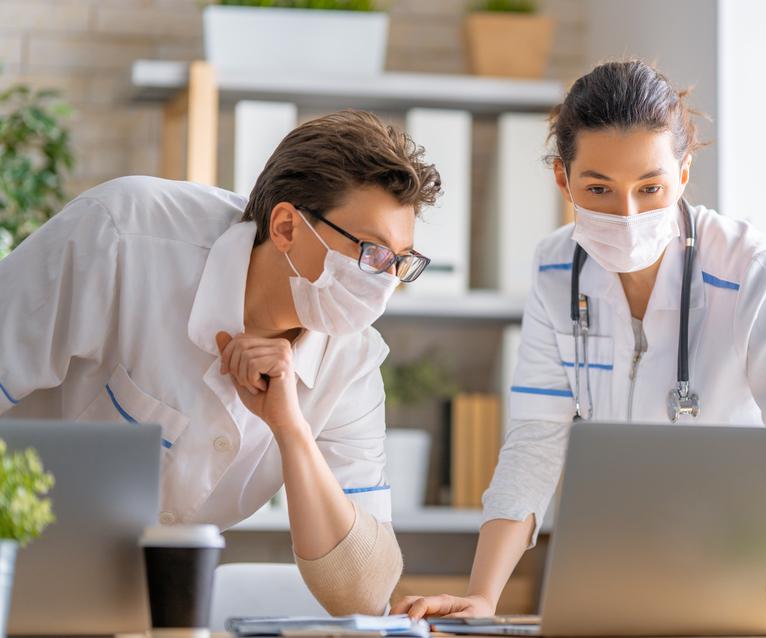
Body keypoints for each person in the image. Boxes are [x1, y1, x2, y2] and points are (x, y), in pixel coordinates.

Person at [393, 60, 766, 619]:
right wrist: (482, 595)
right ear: (562, 179)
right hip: (637, 577)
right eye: (598, 187)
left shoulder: (754, 274)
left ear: (684, 173)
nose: (627, 213)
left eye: (651, 187)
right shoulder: (555, 269)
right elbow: (534, 444)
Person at [0, 110, 441, 615]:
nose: (384, 281)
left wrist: (291, 428)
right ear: (285, 226)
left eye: (400, 261)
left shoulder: (353, 360)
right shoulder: (122, 234)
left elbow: (362, 594)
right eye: (371, 252)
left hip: (144, 612)